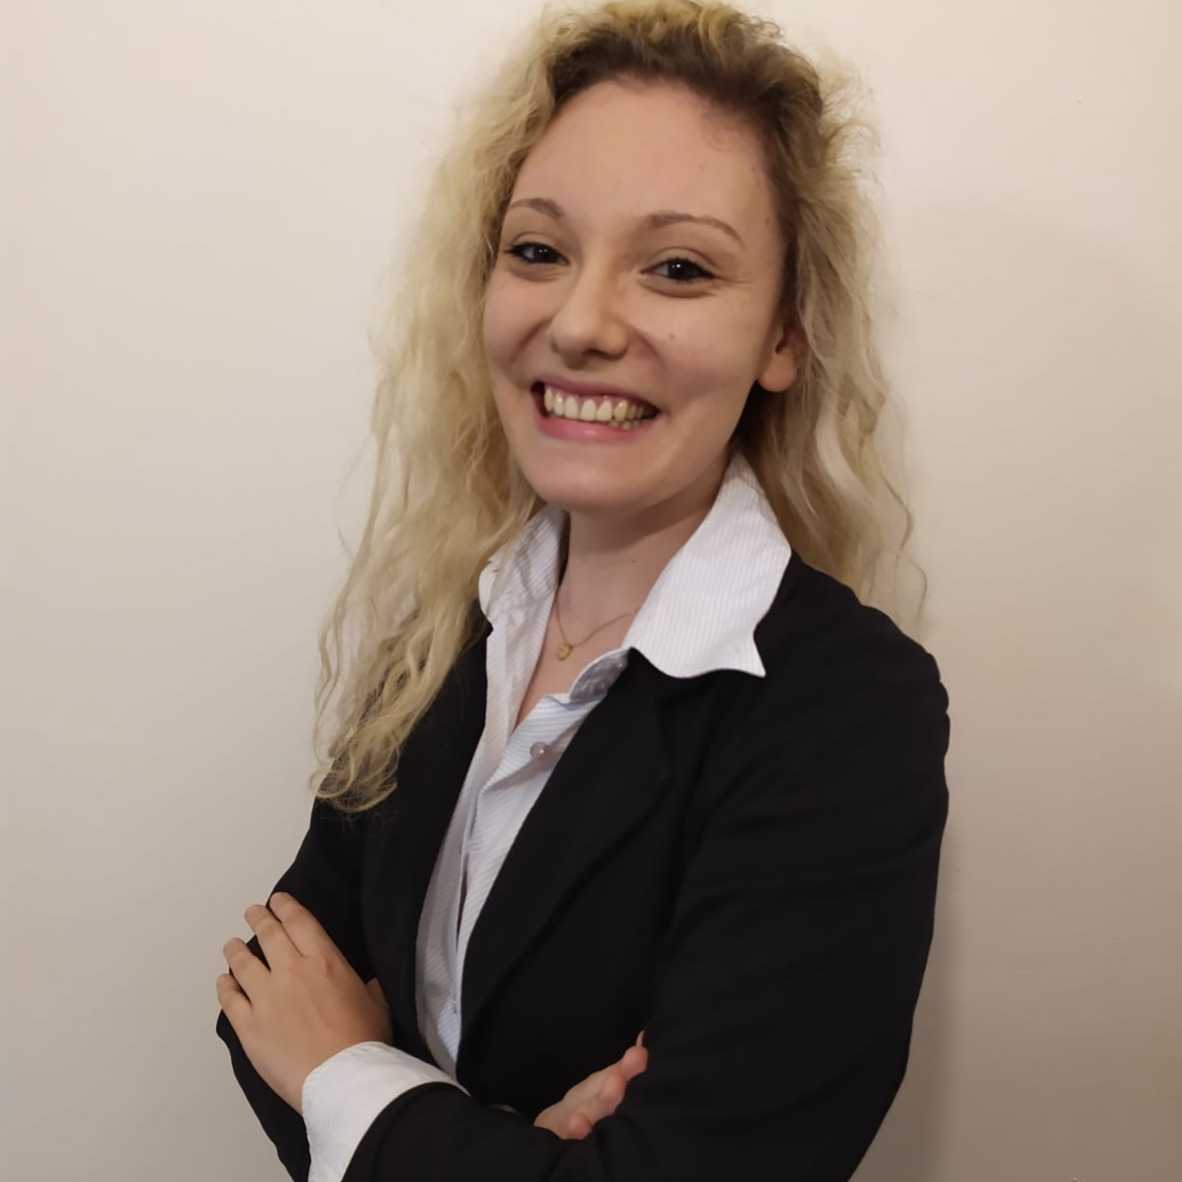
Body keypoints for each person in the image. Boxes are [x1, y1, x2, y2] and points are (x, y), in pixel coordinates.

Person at [214, 1, 951, 1179]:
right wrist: (507, 1151)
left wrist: (350, 1074)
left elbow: (312, 1049)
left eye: (678, 268)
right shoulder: (448, 620)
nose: (581, 323)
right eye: (539, 251)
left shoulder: (847, 710)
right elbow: (266, 998)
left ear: (784, 336)